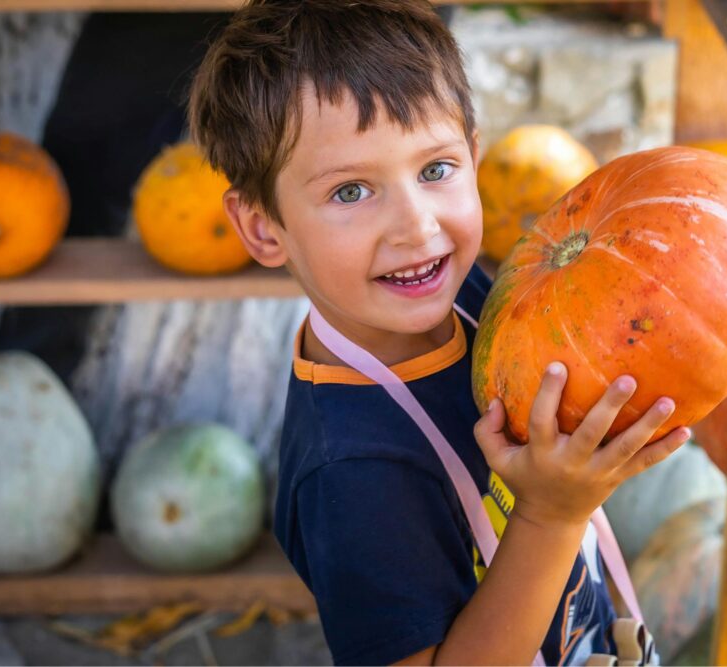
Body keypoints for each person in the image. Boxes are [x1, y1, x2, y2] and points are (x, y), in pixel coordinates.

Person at [188, 1, 690, 664]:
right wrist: (554, 513)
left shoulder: (475, 297)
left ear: (474, 157)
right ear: (262, 226)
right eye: (350, 192)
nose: (417, 226)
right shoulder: (354, 473)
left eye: (435, 170)